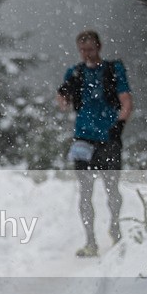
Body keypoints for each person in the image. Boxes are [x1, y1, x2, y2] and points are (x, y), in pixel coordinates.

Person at [57, 29, 133, 257]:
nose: (87, 54)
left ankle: (115, 227)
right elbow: (62, 103)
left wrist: (119, 123)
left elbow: (126, 101)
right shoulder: (75, 72)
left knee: (112, 189)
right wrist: (64, 92)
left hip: (108, 137)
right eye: (82, 50)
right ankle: (90, 241)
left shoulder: (112, 70)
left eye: (90, 49)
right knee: (85, 191)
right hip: (83, 138)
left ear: (99, 47)